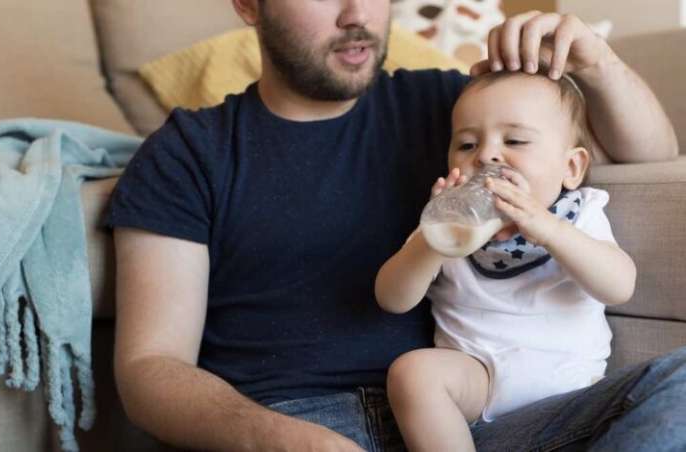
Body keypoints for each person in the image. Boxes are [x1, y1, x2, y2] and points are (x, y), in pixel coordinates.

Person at [105, 1, 683, 450]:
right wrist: (279, 439)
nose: (357, 15)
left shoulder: (456, 111)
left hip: (476, 425)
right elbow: (150, 367)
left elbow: (651, 157)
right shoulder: (189, 151)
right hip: (296, 423)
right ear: (249, 5)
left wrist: (597, 64)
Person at [375, 69, 637, 452]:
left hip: (570, 388)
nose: (486, 156)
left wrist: (549, 229)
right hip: (480, 379)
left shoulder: (578, 215)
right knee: (411, 374)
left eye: (514, 140)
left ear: (571, 168)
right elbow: (391, 298)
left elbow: (619, 286)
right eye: (467, 145)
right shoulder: (448, 226)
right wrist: (431, 242)